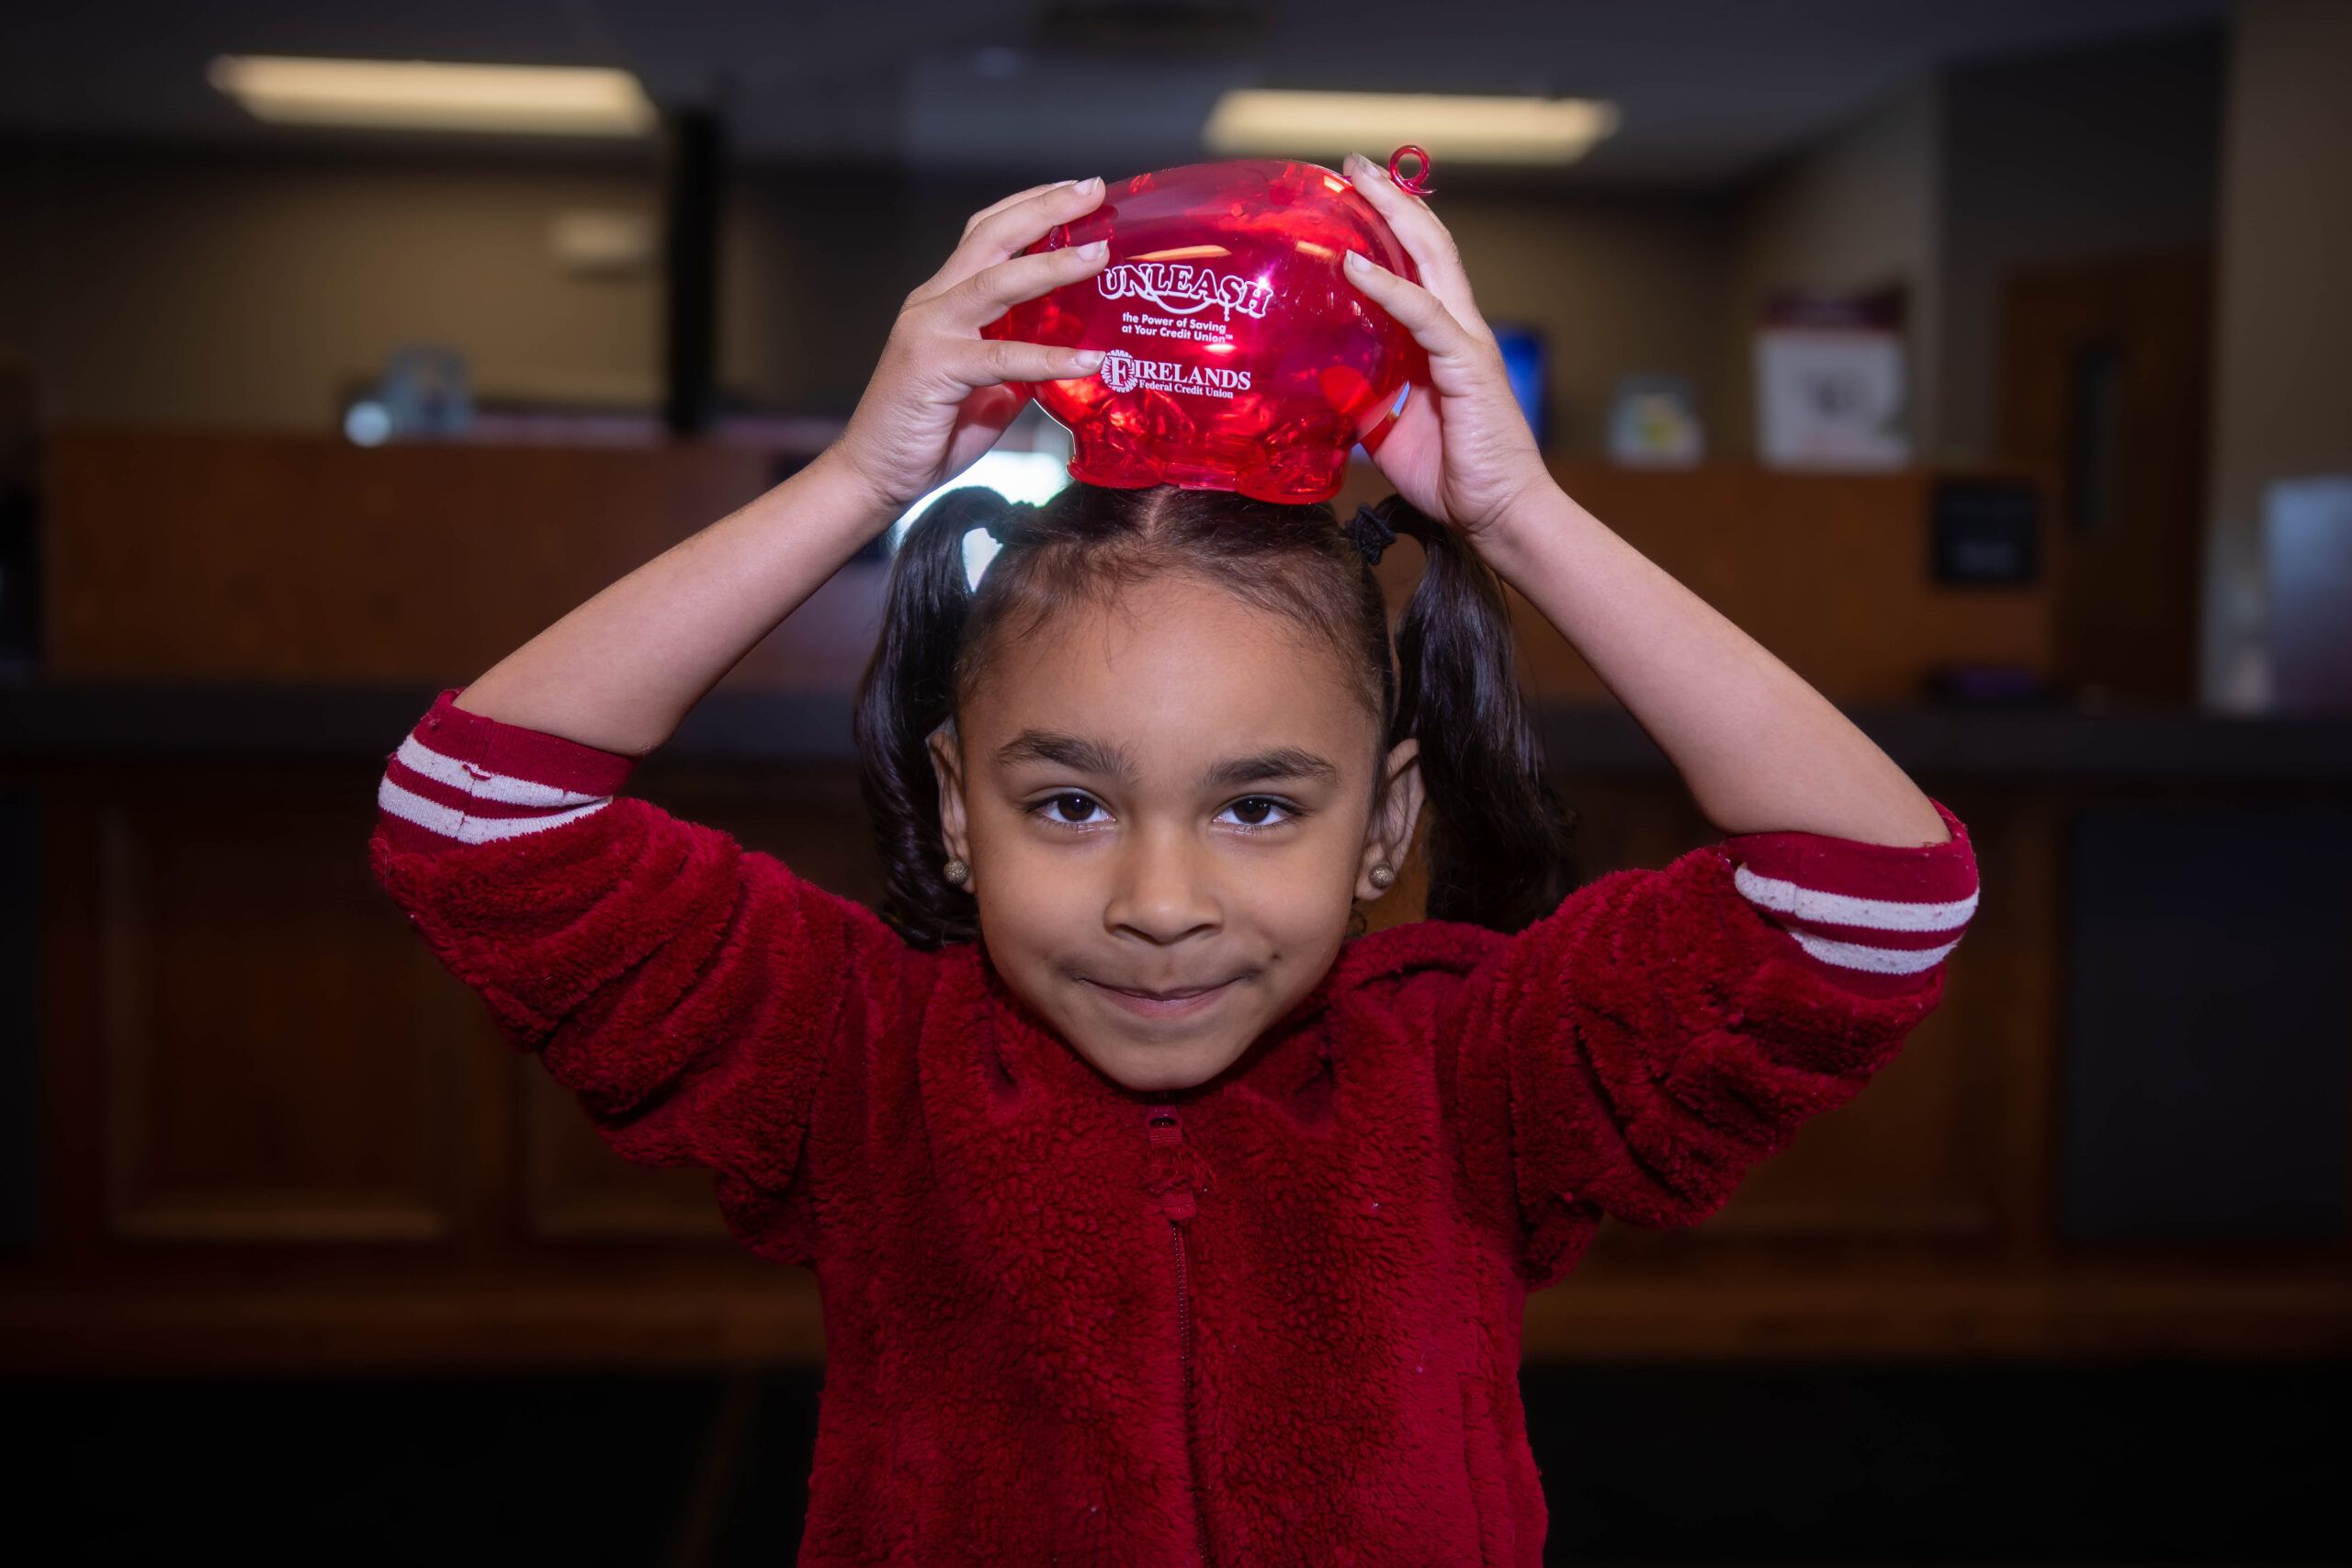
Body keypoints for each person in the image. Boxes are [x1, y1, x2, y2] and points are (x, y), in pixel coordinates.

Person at [370, 154, 1978, 1566]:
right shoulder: (858, 1068)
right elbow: (476, 819)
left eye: (1261, 808)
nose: (1158, 905)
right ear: (953, 808)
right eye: (1068, 805)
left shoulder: (1479, 1078)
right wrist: (862, 480)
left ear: (1388, 827)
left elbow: (1878, 899)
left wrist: (1523, 514)